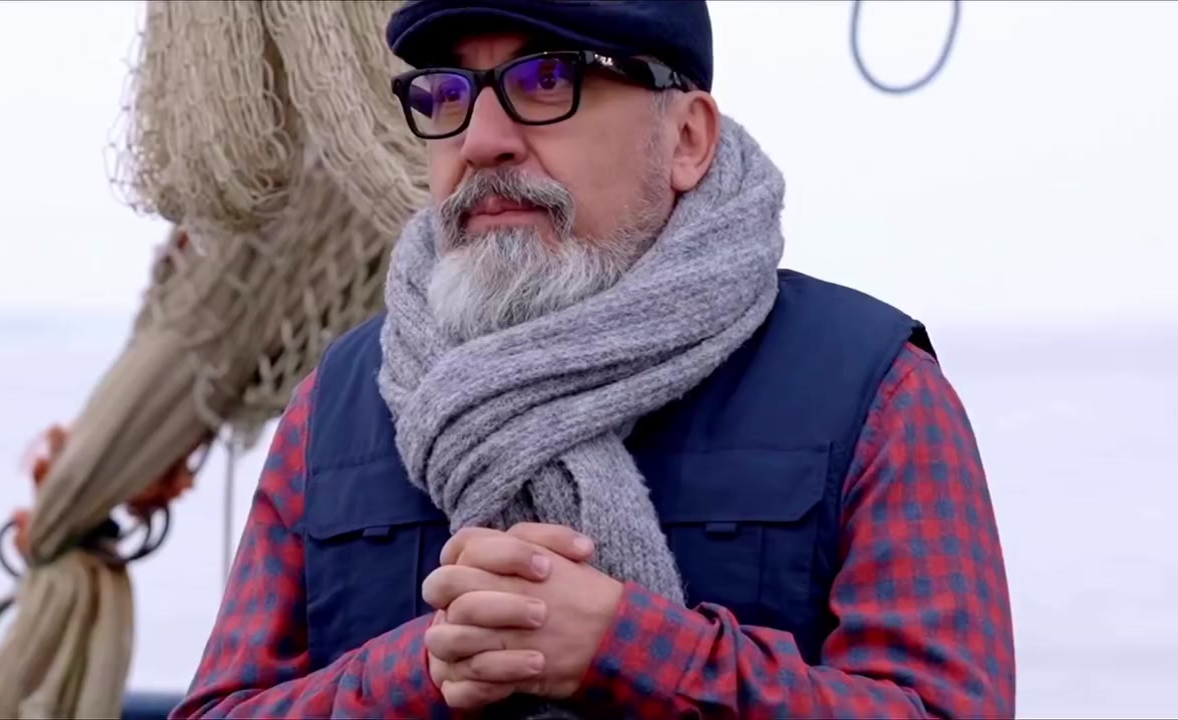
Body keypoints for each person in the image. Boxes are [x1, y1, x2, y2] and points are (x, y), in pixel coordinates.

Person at [171, 1, 1016, 718]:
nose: (482, 140)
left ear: (687, 139)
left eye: (549, 79)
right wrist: (422, 669)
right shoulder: (335, 406)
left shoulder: (872, 390)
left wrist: (630, 648)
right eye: (447, 93)